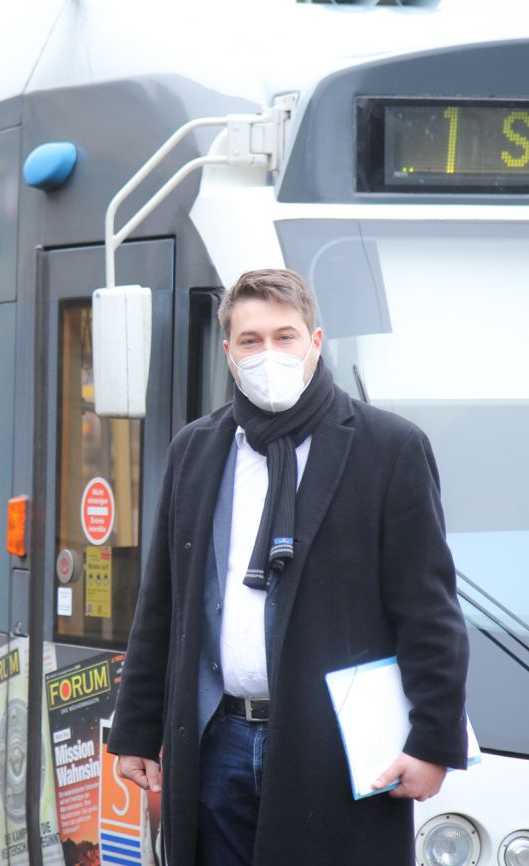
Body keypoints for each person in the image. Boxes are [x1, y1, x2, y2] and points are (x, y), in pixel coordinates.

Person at [106, 269, 469, 865]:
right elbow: (163, 603)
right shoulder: (196, 450)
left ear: (315, 342)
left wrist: (433, 742)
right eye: (250, 340)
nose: (267, 353)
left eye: (285, 336)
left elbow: (429, 612)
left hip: (334, 749)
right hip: (216, 740)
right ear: (228, 352)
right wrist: (139, 730)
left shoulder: (389, 448)